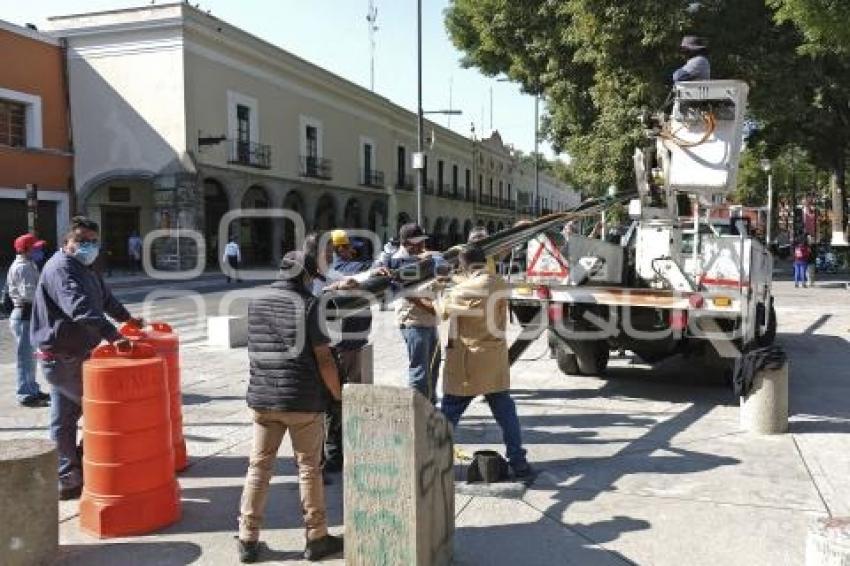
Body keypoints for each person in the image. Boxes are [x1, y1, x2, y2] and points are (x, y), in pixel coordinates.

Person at [236, 251, 344, 563]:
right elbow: (324, 359)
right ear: (307, 276)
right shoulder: (310, 305)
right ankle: (317, 537)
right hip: (302, 400)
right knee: (309, 468)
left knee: (258, 468)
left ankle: (247, 539)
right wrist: (337, 395)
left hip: (263, 398)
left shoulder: (256, 300)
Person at [30, 216, 143, 500]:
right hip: (61, 355)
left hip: (76, 353)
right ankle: (83, 465)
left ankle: (68, 477)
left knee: (64, 419)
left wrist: (128, 319)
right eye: (81, 240)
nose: (88, 246)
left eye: (93, 241)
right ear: (66, 242)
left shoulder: (87, 267)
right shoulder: (61, 269)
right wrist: (114, 336)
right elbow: (79, 307)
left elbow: (105, 299)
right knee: (99, 411)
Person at [438, 245, 534, 481]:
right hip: (494, 361)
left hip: (468, 363)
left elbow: (442, 311)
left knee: (448, 415)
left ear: (463, 264)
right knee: (506, 414)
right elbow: (473, 283)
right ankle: (519, 462)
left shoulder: (463, 290)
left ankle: (433, 460)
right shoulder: (499, 282)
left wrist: (438, 293)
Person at [322, 229, 374, 473]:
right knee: (340, 399)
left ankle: (342, 448)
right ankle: (335, 452)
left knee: (343, 399)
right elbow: (361, 273)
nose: (351, 251)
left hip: (348, 343)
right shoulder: (345, 270)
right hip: (343, 346)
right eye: (347, 247)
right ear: (339, 248)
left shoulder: (351, 268)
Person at [374, 223, 443, 404]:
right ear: (405, 243)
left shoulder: (425, 256)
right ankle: (417, 408)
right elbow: (380, 273)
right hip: (413, 320)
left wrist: (432, 257)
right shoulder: (394, 260)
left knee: (434, 365)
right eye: (417, 243)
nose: (421, 246)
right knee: (420, 369)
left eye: (422, 242)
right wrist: (378, 268)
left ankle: (430, 403)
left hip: (431, 319)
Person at [6, 234, 51, 408]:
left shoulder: (29, 264)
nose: (39, 251)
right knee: (25, 358)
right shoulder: (23, 267)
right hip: (24, 314)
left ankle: (32, 388)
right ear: (26, 250)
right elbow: (29, 295)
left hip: (28, 315)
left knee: (31, 357)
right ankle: (25, 394)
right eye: (36, 248)